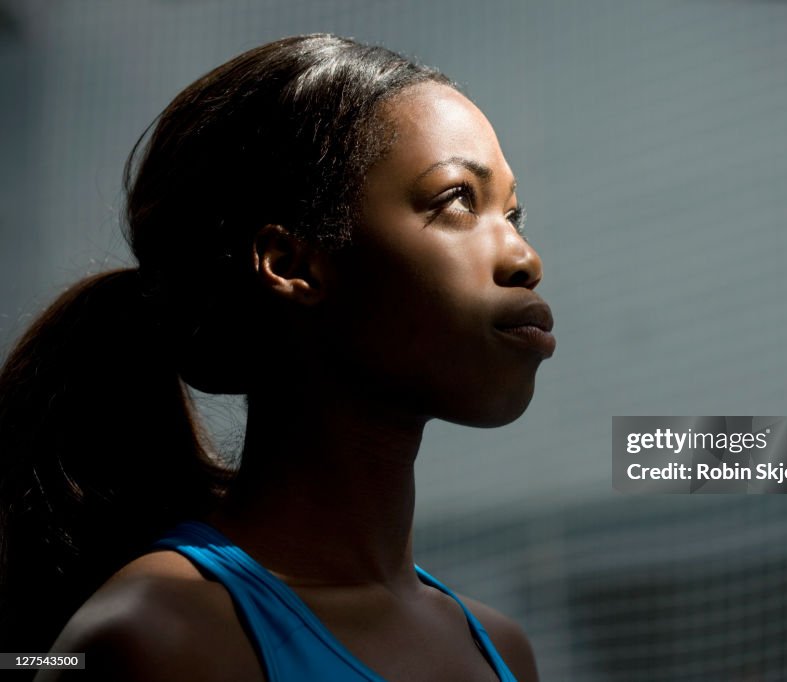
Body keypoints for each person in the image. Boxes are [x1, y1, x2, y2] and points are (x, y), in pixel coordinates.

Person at [0, 34, 550, 681]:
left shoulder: (500, 649)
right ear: (291, 264)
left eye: (513, 215)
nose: (524, 259)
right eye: (457, 199)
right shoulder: (155, 640)